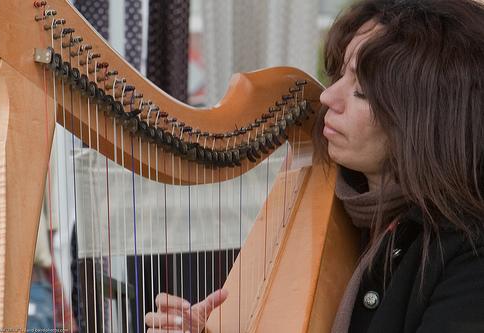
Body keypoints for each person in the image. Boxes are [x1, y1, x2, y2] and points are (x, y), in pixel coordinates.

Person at [145, 0, 484, 332]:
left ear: (429, 120)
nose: (327, 97)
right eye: (338, 75)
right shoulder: (349, 200)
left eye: (361, 92)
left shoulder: (470, 256)